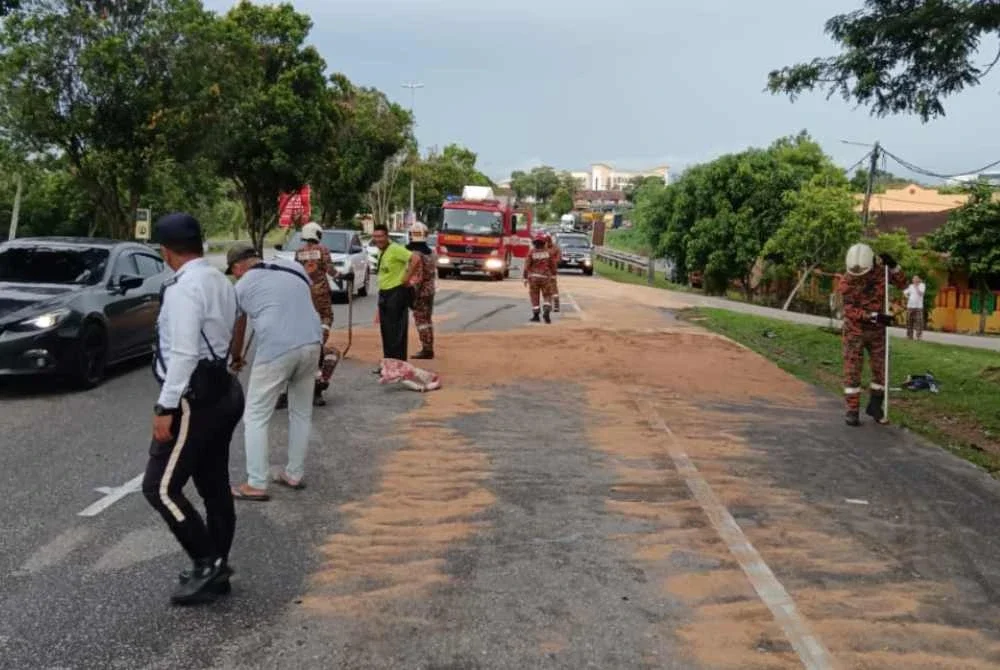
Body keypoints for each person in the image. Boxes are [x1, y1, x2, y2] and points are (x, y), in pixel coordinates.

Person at [143, 213, 245, 606]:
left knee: (160, 487)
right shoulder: (219, 280)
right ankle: (215, 566)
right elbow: (237, 323)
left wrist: (165, 407)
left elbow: (184, 353)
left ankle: (208, 562)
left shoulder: (185, 289)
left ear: (166, 251)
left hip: (195, 399)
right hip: (222, 389)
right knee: (213, 483)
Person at [226, 243, 324, 502]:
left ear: (238, 266)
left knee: (256, 415)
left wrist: (235, 358)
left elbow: (238, 327)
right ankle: (294, 473)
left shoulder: (242, 286)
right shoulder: (294, 268)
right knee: (301, 412)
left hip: (277, 349)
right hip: (312, 342)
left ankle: (256, 483)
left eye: (234, 271)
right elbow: (303, 301)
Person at [838, 242, 907, 427]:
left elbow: (902, 283)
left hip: (877, 334)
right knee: (852, 371)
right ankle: (852, 411)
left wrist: (893, 266)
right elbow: (849, 310)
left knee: (881, 369)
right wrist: (875, 317)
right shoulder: (846, 281)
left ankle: (875, 406)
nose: (858, 276)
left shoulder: (881, 273)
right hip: (855, 332)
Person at [281, 221, 339, 407]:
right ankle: (317, 389)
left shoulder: (299, 253)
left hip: (304, 295)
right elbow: (330, 270)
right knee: (326, 323)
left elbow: (296, 272)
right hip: (321, 296)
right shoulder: (323, 250)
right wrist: (342, 276)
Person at [372, 224, 420, 368]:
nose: (377, 239)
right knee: (386, 331)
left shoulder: (395, 249)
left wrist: (407, 277)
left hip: (396, 293)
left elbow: (415, 259)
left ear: (387, 236)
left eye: (380, 236)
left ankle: (399, 364)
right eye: (375, 237)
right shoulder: (382, 250)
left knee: (396, 332)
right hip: (385, 293)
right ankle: (389, 363)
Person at [406, 222, 437, 360]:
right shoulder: (431, 253)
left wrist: (412, 296)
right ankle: (428, 347)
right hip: (430, 291)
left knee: (421, 321)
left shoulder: (416, 254)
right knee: (427, 320)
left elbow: (417, 278)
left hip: (421, 293)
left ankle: (427, 349)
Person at [523, 231, 557, 323]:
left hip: (533, 278)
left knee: (534, 296)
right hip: (546, 278)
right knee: (547, 295)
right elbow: (553, 266)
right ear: (544, 243)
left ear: (534, 243)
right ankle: (546, 310)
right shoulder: (548, 253)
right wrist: (554, 275)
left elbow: (526, 266)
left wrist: (525, 278)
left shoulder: (531, 252)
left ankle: (536, 316)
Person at [904, 275, 926, 340]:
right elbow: (905, 292)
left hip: (918, 307)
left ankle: (919, 336)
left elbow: (921, 293)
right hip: (910, 306)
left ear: (919, 279)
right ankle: (909, 336)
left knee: (919, 321)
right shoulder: (910, 286)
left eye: (916, 279)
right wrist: (907, 297)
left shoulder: (922, 285)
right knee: (909, 321)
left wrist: (916, 286)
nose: (914, 280)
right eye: (913, 279)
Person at [546, 235, 562, 312]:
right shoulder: (556, 248)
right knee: (553, 288)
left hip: (548, 271)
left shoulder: (543, 248)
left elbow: (558, 260)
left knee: (550, 288)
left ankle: (552, 305)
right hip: (550, 271)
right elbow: (558, 260)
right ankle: (554, 305)